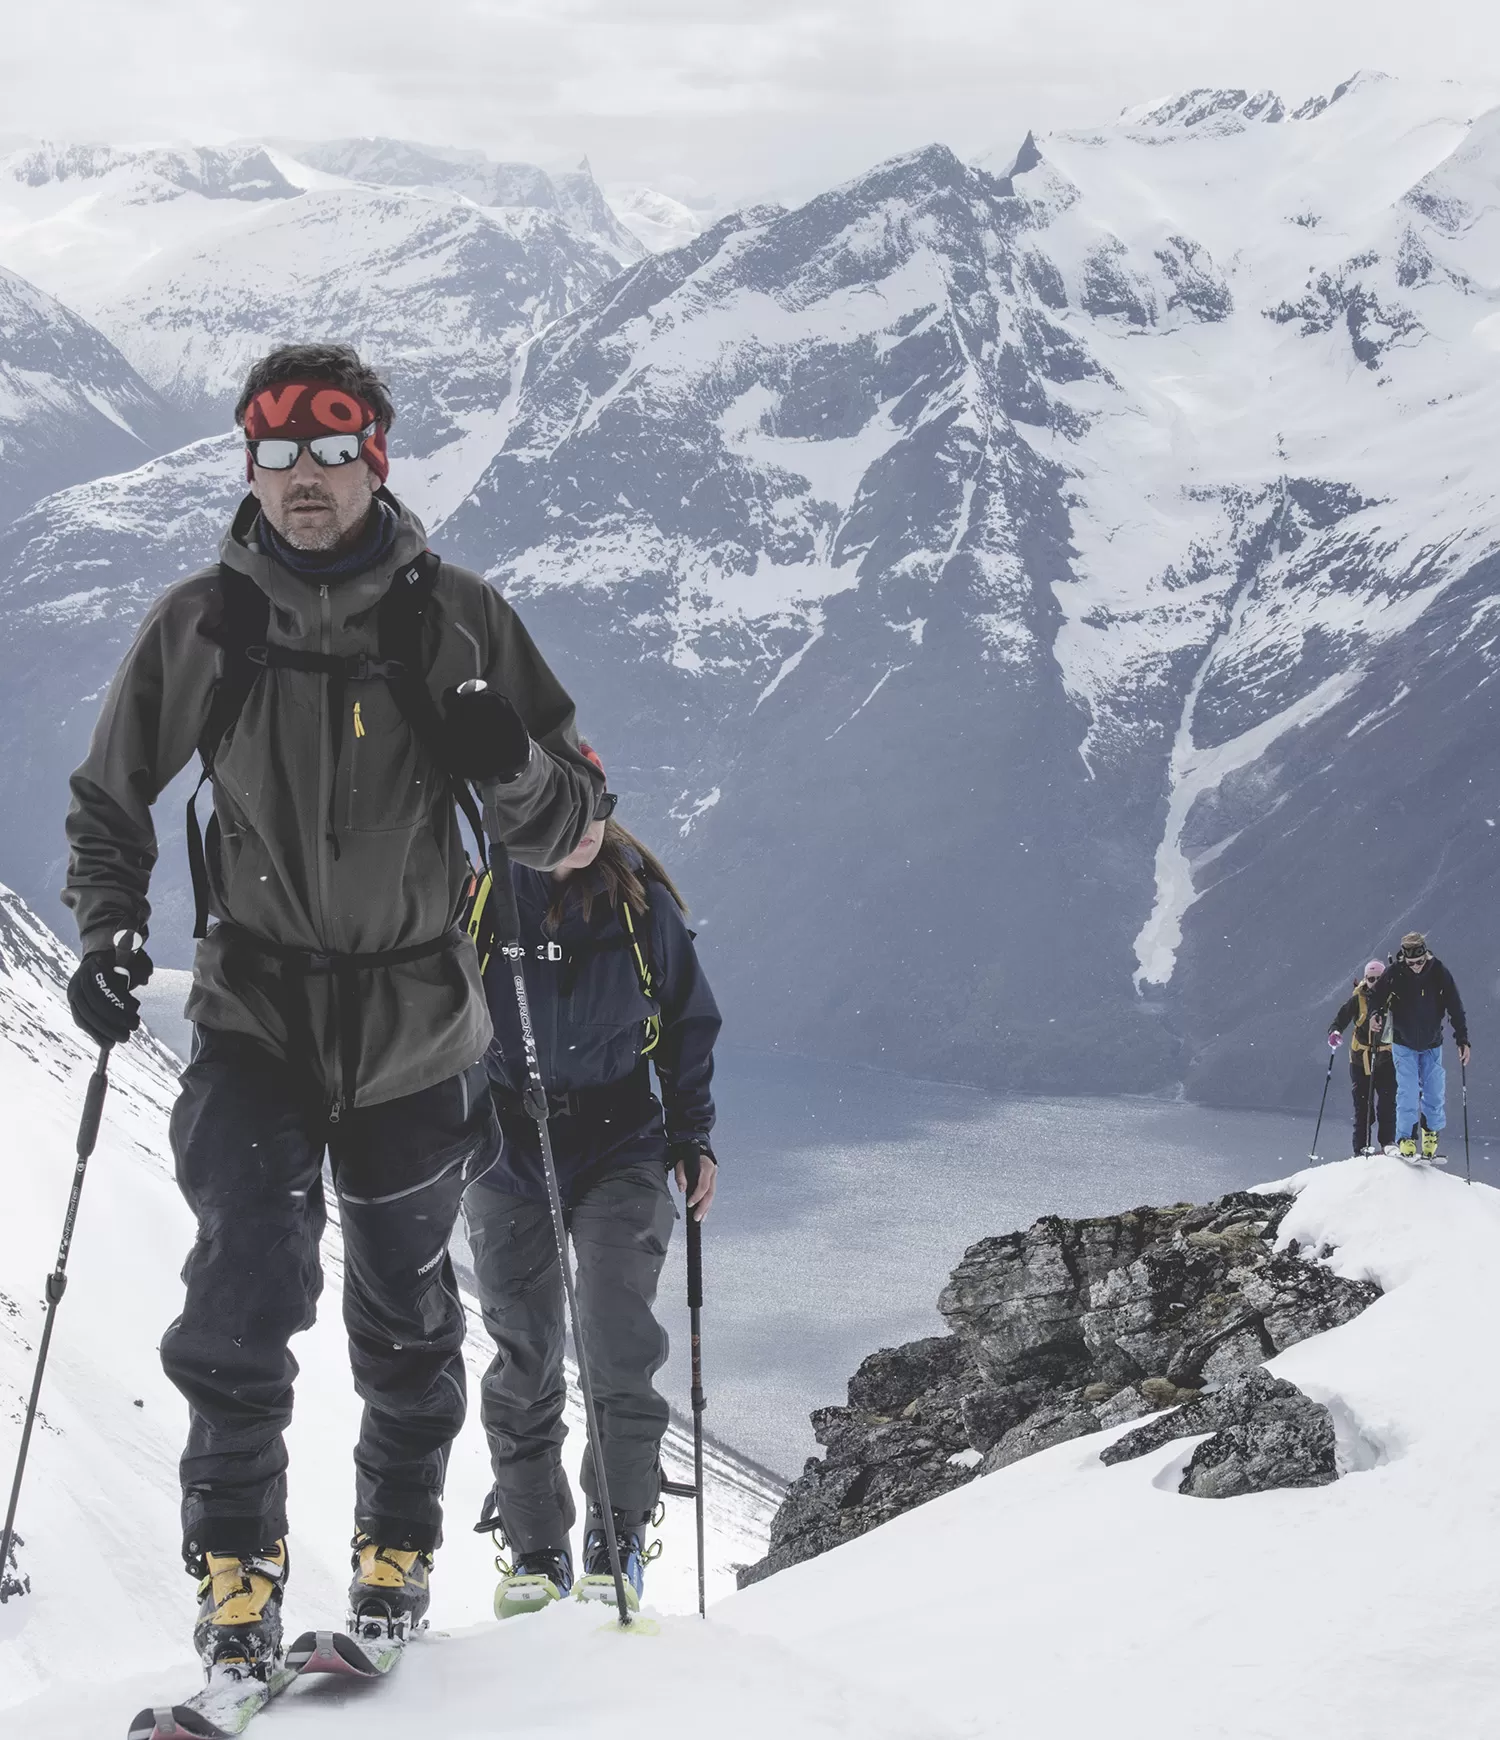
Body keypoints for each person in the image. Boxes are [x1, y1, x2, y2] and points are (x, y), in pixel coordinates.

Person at [61, 343, 602, 1677]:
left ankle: (394, 1550)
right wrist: (110, 931)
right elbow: (109, 798)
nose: (305, 476)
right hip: (256, 1017)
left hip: (418, 1028)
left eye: (331, 448)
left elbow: (575, 828)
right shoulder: (205, 623)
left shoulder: (460, 621)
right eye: (278, 452)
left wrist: (510, 763)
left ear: (376, 456)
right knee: (240, 1297)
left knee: (405, 1313)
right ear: (248, 466)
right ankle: (234, 1568)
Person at [463, 748, 720, 1617]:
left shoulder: (639, 901)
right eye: (566, 811)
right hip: (507, 1146)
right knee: (524, 1351)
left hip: (621, 1144)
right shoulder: (484, 893)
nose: (587, 828)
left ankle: (619, 1536)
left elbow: (686, 1020)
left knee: (617, 1338)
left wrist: (693, 1136)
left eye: (596, 807)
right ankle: (536, 1551)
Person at [1366, 931, 1470, 1161]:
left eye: (1420, 962)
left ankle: (1430, 1137)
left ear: (1426, 955)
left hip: (1432, 1043)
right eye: (1411, 962)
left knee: (1434, 1092)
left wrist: (1462, 1040)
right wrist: (1375, 1014)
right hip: (1403, 1043)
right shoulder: (1394, 973)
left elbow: (1455, 1006)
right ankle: (1407, 1139)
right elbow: (1376, 997)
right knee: (1408, 1091)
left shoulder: (1439, 972)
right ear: (1404, 958)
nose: (1416, 966)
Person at [1327, 960, 1396, 1155]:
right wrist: (1334, 1033)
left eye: (1379, 978)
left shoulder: (1394, 996)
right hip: (1361, 1060)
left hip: (1386, 1058)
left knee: (1387, 1104)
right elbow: (1339, 1021)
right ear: (1365, 979)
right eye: (1371, 979)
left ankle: (1387, 1143)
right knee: (1363, 1107)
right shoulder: (1358, 999)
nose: (1375, 982)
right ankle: (1361, 1148)